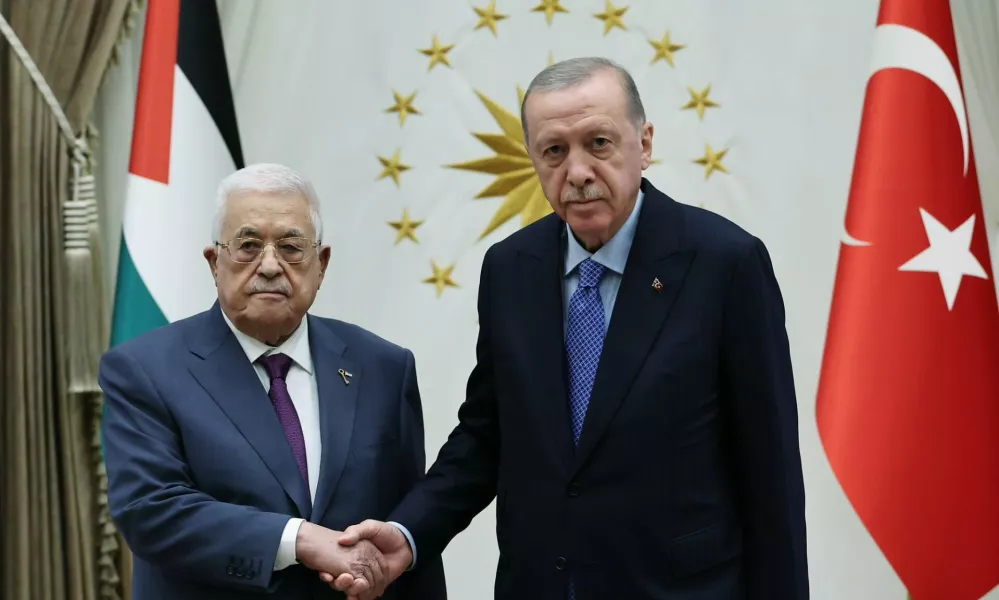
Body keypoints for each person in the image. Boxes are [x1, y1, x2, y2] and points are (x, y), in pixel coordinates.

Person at [332, 57, 809, 600]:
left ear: (644, 144)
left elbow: (771, 476)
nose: (577, 172)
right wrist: (407, 532)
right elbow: (488, 434)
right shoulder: (511, 268)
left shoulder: (725, 264)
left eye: (599, 144)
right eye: (554, 151)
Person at [99, 164, 446, 599]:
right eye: (247, 246)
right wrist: (299, 539)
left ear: (321, 265)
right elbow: (150, 511)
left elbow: (406, 532)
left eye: (290, 247)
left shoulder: (384, 367)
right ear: (214, 261)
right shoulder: (143, 369)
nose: (268, 266)